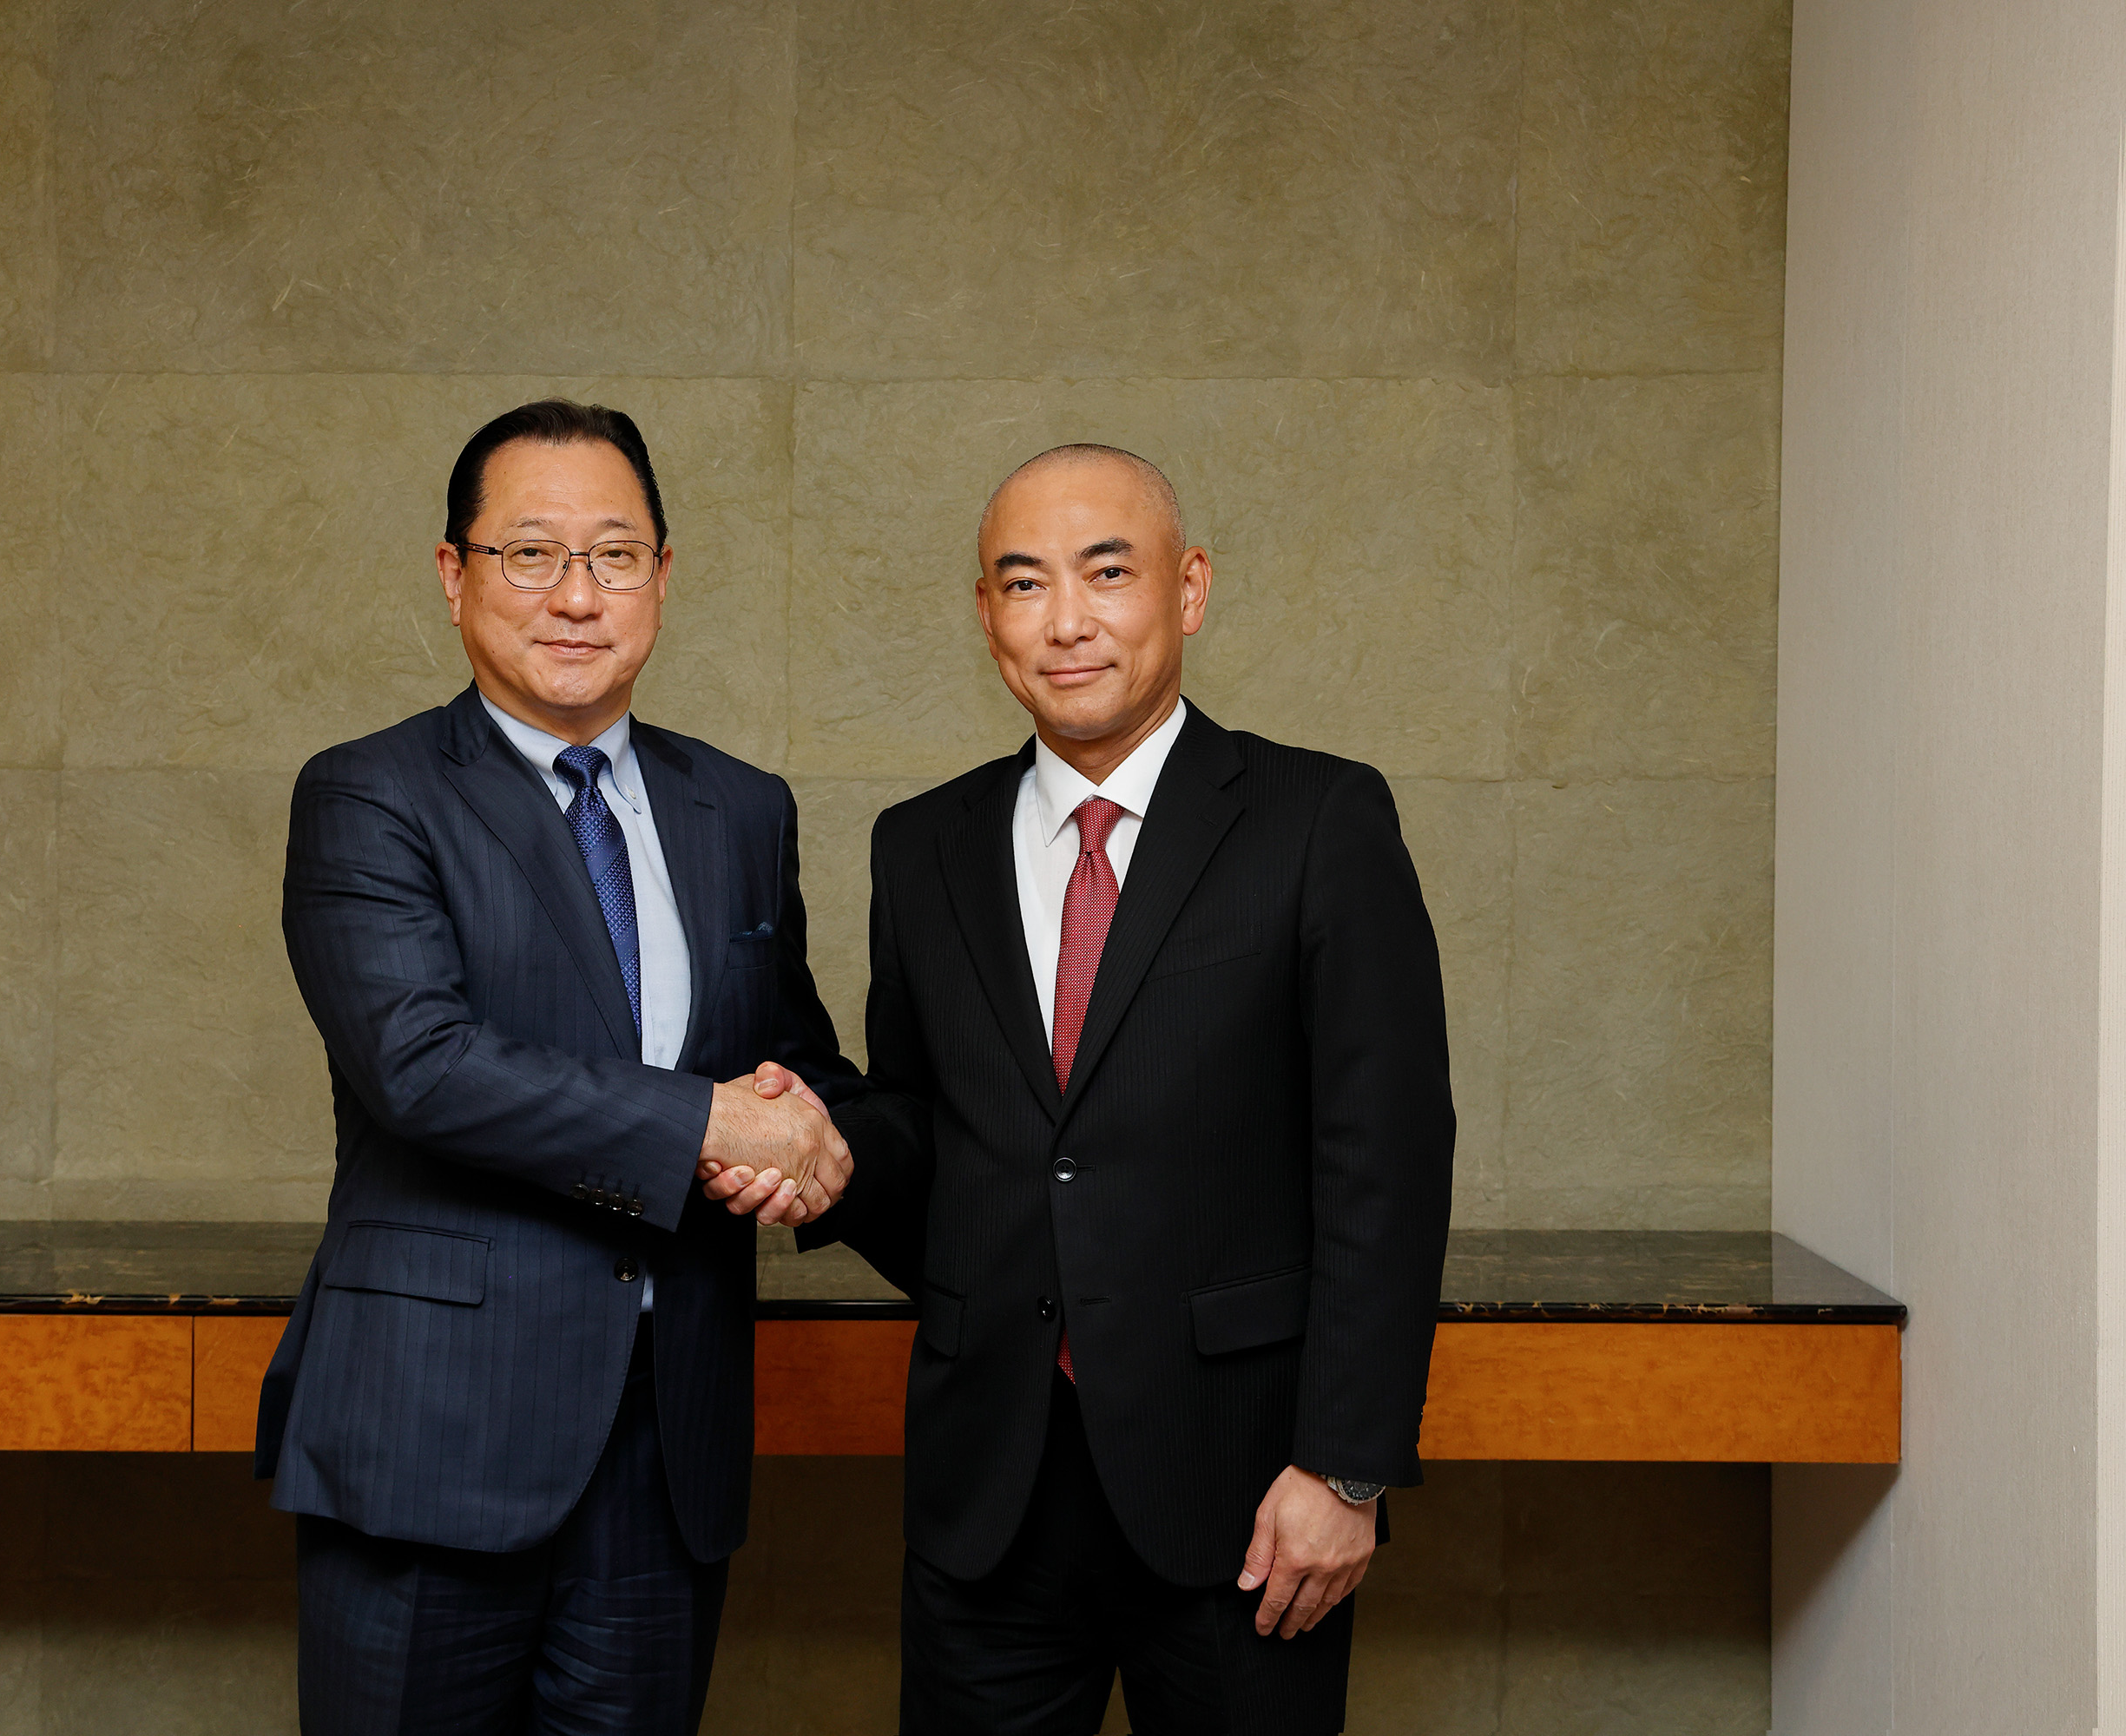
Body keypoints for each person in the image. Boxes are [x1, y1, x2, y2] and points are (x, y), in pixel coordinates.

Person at [706, 444, 1455, 1733]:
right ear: (984, 611)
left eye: (1107, 573)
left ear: (1189, 588)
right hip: (989, 1490)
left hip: (1244, 1493)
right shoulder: (921, 844)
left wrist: (1346, 1469)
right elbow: (935, 1135)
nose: (1066, 621)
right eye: (1024, 582)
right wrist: (827, 1152)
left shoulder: (1320, 819)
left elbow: (1387, 1162)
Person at [260, 398, 858, 1734]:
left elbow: (790, 1062)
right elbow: (424, 1065)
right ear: (453, 572)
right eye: (531, 553)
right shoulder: (370, 794)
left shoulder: (740, 808)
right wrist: (712, 1125)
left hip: (666, 1454)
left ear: (663, 575)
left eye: (616, 556)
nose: (577, 596)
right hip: (434, 1443)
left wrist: (827, 1142)